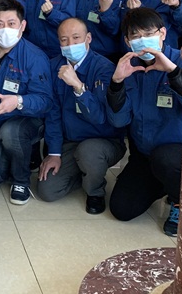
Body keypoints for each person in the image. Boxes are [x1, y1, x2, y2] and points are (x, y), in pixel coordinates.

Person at [106, 8, 182, 236]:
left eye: (148, 33)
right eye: (135, 36)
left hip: (177, 155)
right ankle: (164, 184)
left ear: (162, 33)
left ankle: (180, 201)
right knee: (122, 209)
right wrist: (116, 83)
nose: (143, 40)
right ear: (127, 41)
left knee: (166, 159)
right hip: (144, 154)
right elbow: (119, 120)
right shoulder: (129, 67)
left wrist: (173, 72)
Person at [37, 18, 125, 214]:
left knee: (89, 152)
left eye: (76, 38)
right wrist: (54, 153)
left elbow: (100, 118)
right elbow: (52, 114)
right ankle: (84, 172)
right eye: (64, 40)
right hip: (71, 141)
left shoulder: (104, 68)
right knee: (47, 190)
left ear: (88, 38)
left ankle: (95, 191)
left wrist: (78, 87)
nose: (70, 44)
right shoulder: (54, 67)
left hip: (103, 140)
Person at [0, 0, 52, 205]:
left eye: (11, 23)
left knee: (10, 132)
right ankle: (20, 153)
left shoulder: (35, 57)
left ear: (22, 26)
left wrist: (18, 101)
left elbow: (45, 101)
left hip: (26, 120)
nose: (5, 29)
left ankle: (21, 180)